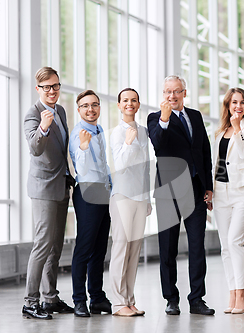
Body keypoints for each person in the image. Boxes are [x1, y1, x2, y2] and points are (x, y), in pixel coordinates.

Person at [147, 75, 214, 315]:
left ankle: (197, 299)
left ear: (184, 93)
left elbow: (204, 150)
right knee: (168, 248)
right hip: (168, 191)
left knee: (197, 246)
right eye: (167, 92)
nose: (171, 96)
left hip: (196, 190)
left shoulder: (195, 116)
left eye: (176, 91)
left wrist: (208, 185)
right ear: (163, 94)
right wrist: (164, 119)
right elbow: (158, 144)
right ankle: (171, 299)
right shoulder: (155, 118)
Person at [22, 67, 74, 319]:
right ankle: (30, 302)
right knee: (42, 245)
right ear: (38, 89)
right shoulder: (32, 114)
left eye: (55, 86)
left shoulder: (61, 111)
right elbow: (34, 147)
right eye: (46, 87)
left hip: (61, 184)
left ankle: (49, 299)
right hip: (43, 187)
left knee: (55, 246)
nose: (52, 91)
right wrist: (43, 127)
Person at [212, 87, 244, 314]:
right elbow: (216, 164)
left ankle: (241, 292)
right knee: (224, 246)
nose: (238, 106)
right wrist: (210, 191)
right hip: (220, 192)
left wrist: (239, 129)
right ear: (228, 106)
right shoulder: (220, 131)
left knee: (234, 242)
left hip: (241, 191)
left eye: (241, 102)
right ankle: (232, 292)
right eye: (233, 103)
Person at [69, 90, 112, 317]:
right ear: (79, 110)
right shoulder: (80, 133)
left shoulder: (99, 130)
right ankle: (79, 300)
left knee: (99, 249)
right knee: (84, 249)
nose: (91, 109)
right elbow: (83, 169)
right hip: (87, 192)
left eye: (94, 105)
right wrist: (84, 147)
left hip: (102, 192)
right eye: (85, 106)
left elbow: (103, 164)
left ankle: (97, 298)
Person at [109, 88, 151, 316]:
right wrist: (127, 143)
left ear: (138, 104)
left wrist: (147, 198)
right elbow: (121, 166)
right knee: (121, 249)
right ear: (119, 105)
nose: (129, 104)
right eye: (125, 100)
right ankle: (117, 303)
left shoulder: (143, 131)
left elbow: (145, 167)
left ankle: (129, 299)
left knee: (134, 251)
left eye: (133, 100)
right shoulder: (117, 132)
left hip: (139, 197)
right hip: (122, 197)